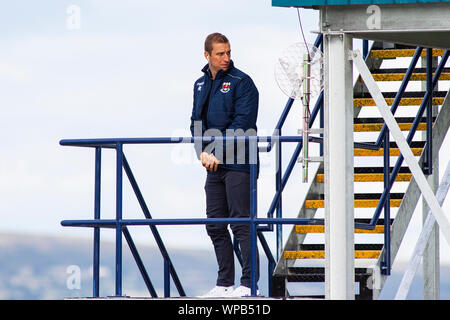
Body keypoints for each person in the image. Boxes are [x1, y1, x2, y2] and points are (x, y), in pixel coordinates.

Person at [190, 32, 260, 297]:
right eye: (220, 54)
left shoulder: (242, 82)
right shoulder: (199, 83)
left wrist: (216, 150)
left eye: (228, 52)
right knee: (215, 224)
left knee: (242, 223)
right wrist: (202, 153)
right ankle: (224, 284)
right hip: (213, 165)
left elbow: (243, 123)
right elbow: (195, 121)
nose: (226, 58)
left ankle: (249, 283)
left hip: (240, 163)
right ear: (207, 55)